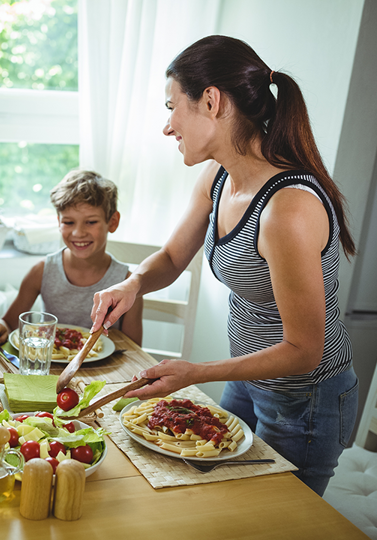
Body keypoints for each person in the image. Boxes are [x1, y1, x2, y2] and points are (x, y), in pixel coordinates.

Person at [90, 35, 358, 496]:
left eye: (172, 106)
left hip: (305, 402)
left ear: (211, 101)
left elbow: (304, 349)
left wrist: (195, 372)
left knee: (271, 521)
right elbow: (173, 258)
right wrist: (133, 283)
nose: (167, 127)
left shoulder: (287, 208)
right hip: (248, 379)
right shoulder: (218, 178)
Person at [0, 170, 143, 346]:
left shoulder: (127, 284)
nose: (78, 233)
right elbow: (9, 323)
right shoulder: (42, 271)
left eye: (91, 222)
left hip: (106, 371)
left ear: (112, 222)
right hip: (50, 368)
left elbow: (133, 349)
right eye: (69, 222)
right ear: (59, 222)